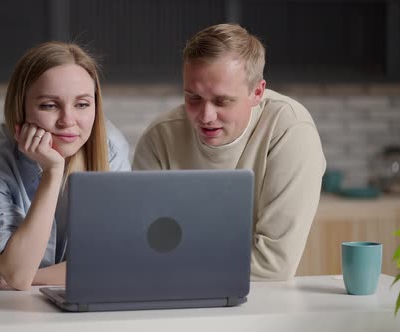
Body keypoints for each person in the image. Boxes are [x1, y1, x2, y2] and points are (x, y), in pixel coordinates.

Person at [133, 23, 326, 280]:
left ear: (257, 92)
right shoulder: (159, 138)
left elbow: (274, 266)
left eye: (222, 101)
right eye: (193, 98)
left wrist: (175, 265)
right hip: (174, 296)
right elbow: (142, 248)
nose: (206, 116)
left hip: (264, 301)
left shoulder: (290, 129)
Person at [0, 42, 130, 290]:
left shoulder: (110, 147)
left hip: (82, 302)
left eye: (82, 104)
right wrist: (52, 172)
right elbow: (17, 273)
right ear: (21, 106)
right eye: (49, 105)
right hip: (3, 308)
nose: (68, 121)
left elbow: (117, 262)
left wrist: (32, 277)